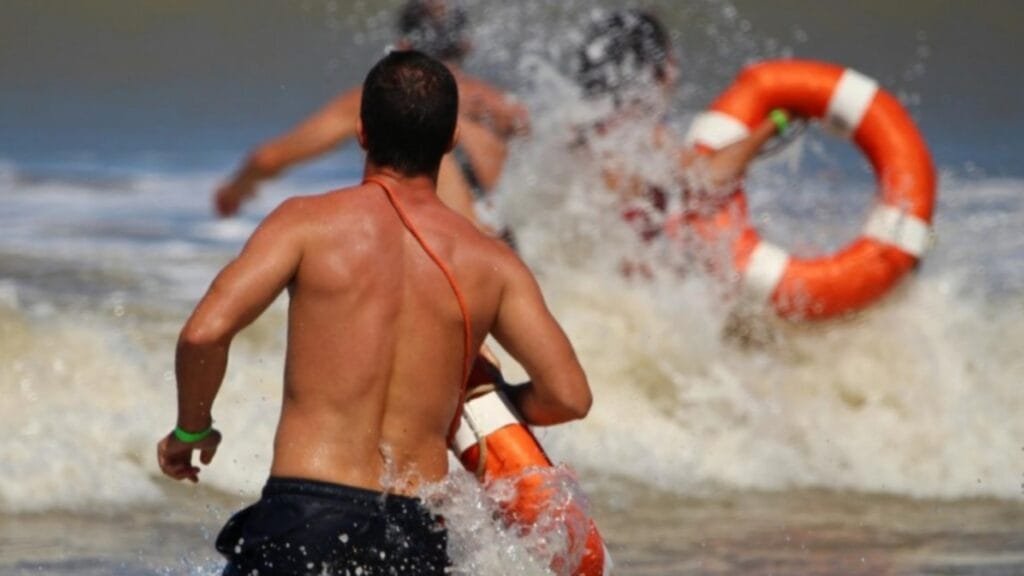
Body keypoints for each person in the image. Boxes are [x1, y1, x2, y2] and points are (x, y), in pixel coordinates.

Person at [157, 50, 591, 575]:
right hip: (412, 529)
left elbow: (204, 335)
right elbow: (568, 395)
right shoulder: (492, 263)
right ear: (452, 139)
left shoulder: (305, 223)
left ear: (362, 132)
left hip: (306, 513)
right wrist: (476, 405)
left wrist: (191, 430)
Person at [214, 0, 528, 240]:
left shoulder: (387, 95)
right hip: (502, 256)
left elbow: (268, 158)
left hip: (446, 258)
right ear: (465, 45)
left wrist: (235, 189)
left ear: (403, 45)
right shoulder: (504, 108)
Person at [572, 9, 792, 246]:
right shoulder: (644, 134)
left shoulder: (578, 133)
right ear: (655, 71)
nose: (675, 71)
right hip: (621, 273)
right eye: (670, 59)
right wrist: (776, 123)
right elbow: (708, 180)